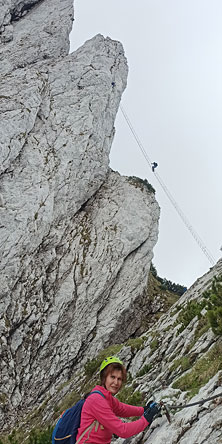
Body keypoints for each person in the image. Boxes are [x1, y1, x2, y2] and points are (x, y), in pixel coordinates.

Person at [76, 356, 161, 444]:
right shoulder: (96, 400)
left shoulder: (106, 397)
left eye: (119, 379)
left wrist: (144, 410)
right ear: (104, 378)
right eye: (112, 377)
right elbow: (122, 431)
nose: (116, 383)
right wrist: (146, 419)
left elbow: (122, 409)